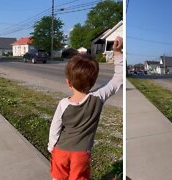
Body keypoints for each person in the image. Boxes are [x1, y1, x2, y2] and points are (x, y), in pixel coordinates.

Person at [48, 36, 123, 180]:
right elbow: (118, 79)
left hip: (61, 151)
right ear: (94, 81)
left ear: (68, 82)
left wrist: (52, 147)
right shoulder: (98, 98)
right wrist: (118, 52)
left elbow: (55, 128)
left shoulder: (63, 104)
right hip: (81, 153)